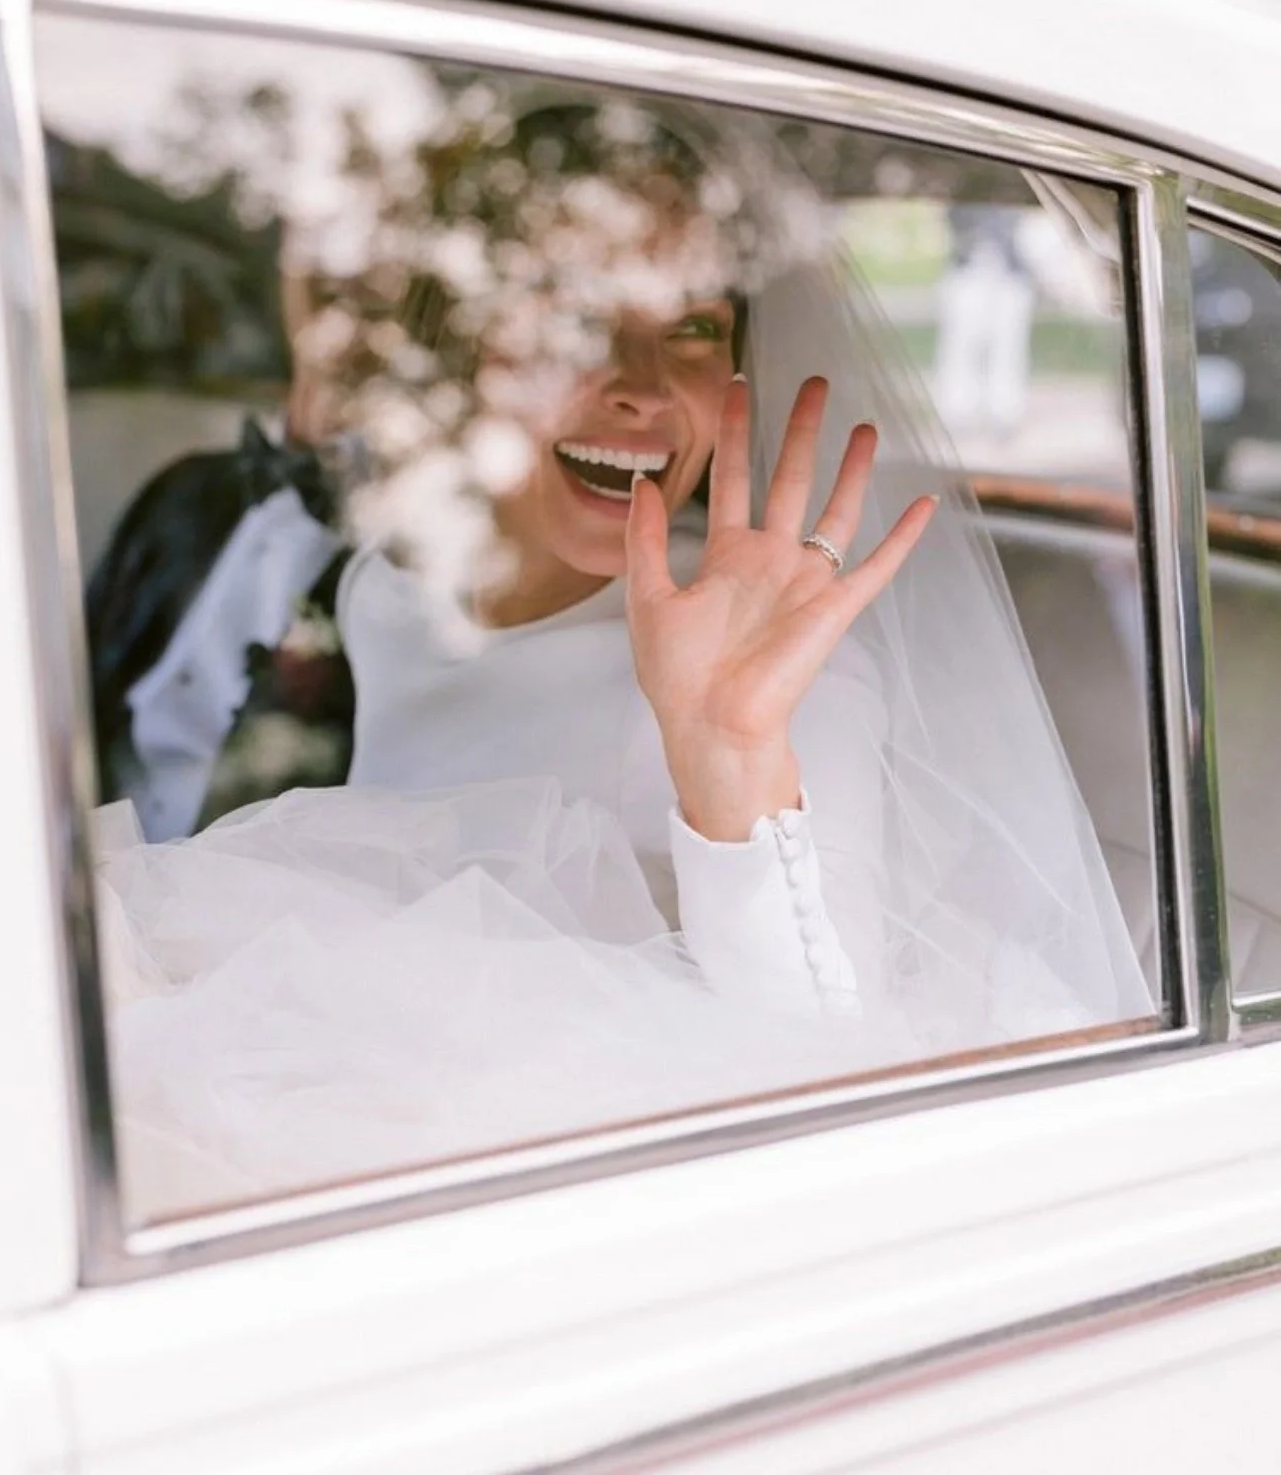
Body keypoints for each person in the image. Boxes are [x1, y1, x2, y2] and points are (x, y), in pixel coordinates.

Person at [93, 98, 1152, 1216]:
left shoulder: (777, 663)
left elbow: (830, 1059)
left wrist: (728, 756)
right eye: (570, 309)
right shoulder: (387, 586)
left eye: (692, 327)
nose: (641, 382)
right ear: (456, 344)